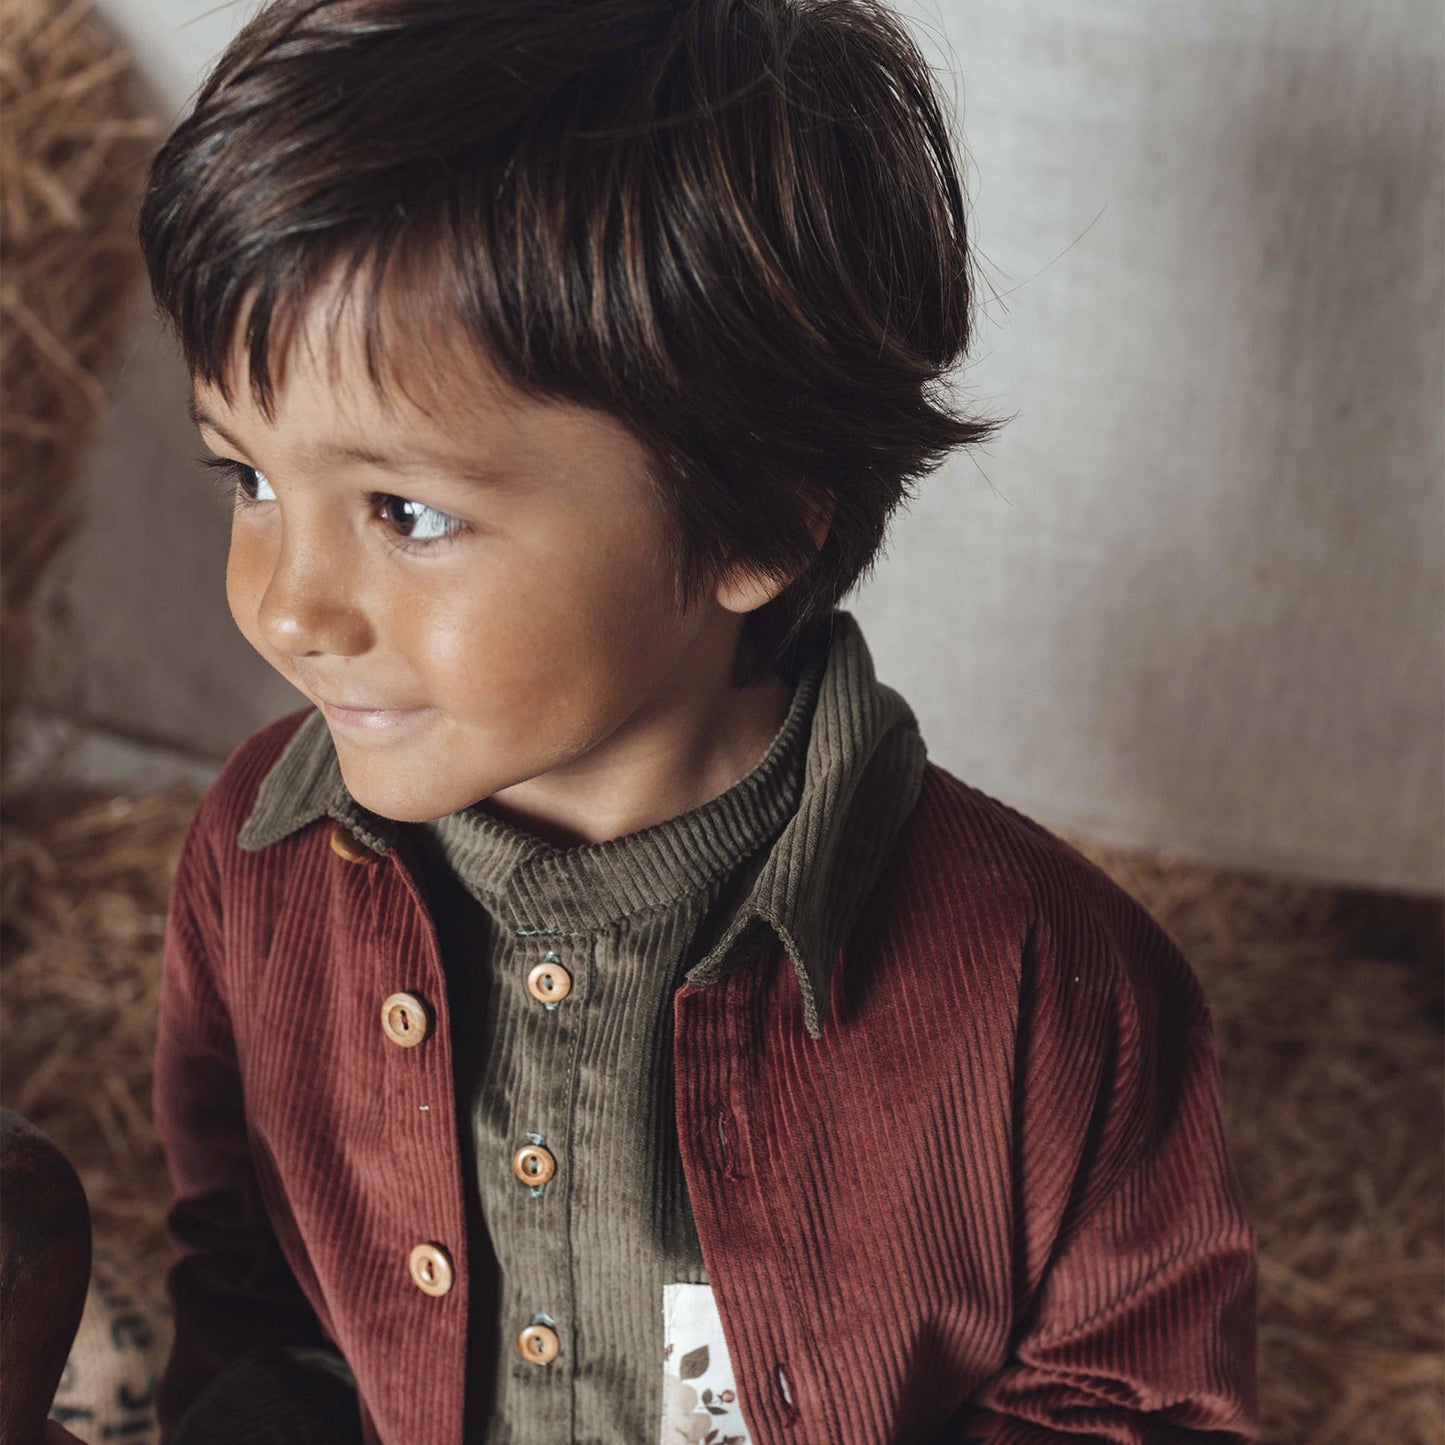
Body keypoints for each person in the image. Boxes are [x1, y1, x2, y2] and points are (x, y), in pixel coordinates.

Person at [134, 0, 1260, 1441]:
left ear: (752, 522)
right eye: (250, 479)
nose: (292, 606)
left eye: (405, 512)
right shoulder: (252, 858)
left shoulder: (1055, 984)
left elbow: (1130, 1399)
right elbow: (249, 1285)